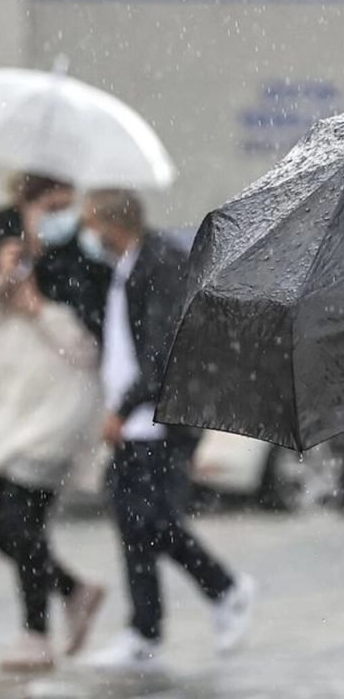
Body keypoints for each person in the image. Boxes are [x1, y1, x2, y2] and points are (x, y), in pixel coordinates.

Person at [78, 189, 256, 671]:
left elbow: (162, 350)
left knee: (153, 520)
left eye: (89, 223)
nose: (86, 234)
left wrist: (123, 406)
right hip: (137, 422)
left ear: (110, 224)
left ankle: (225, 588)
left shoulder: (161, 263)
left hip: (159, 418)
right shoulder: (129, 264)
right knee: (131, 519)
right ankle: (145, 633)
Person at [0, 238, 106, 672]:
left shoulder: (61, 294)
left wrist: (37, 307)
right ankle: (70, 593)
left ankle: (38, 633)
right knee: (21, 530)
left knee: (18, 526)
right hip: (17, 432)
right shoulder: (8, 314)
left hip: (52, 430)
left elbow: (86, 350)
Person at [0, 172, 111, 338]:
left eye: (67, 208)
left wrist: (41, 309)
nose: (60, 218)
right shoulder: (6, 234)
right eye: (52, 208)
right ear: (24, 204)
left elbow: (91, 345)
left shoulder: (84, 257)